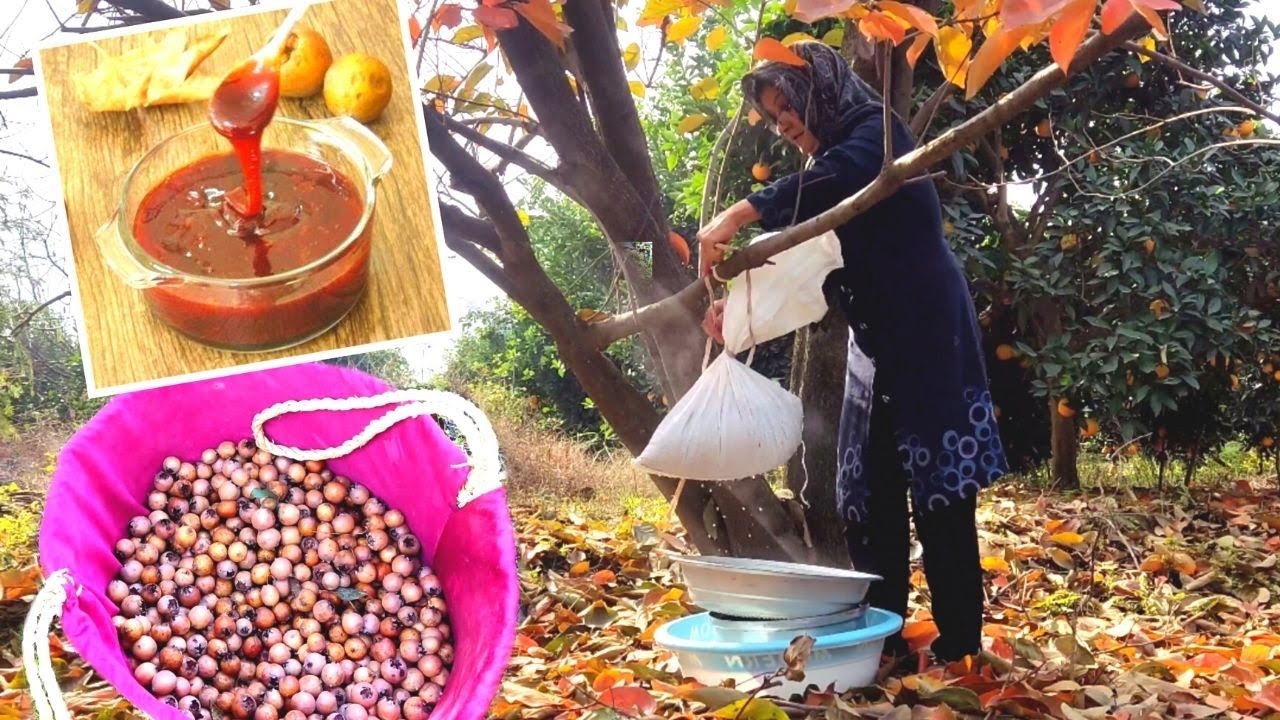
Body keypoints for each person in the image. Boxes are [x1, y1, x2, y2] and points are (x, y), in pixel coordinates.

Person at [697, 41, 1007, 664]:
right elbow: (802, 272)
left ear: (820, 92)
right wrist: (738, 315)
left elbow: (847, 173)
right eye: (778, 123)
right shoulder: (824, 179)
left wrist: (741, 210)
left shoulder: (877, 135)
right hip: (875, 352)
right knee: (871, 499)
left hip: (929, 340)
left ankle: (960, 650)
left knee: (941, 496)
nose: (788, 130)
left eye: (791, 111)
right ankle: (883, 643)